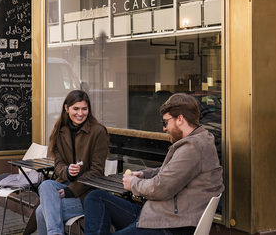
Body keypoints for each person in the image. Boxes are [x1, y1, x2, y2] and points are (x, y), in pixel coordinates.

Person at [84, 93, 224, 235]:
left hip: (170, 225)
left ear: (180, 119)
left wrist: (133, 184)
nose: (164, 128)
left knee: (96, 198)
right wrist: (144, 174)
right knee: (96, 198)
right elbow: (172, 171)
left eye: (165, 122)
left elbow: (160, 188)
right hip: (158, 215)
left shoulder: (193, 148)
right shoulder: (198, 140)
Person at [36, 90, 109, 235]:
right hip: (64, 184)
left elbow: (97, 171)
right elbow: (58, 166)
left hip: (87, 193)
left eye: (84, 109)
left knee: (41, 211)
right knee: (46, 185)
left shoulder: (98, 131)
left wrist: (72, 190)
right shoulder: (59, 131)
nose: (80, 113)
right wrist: (67, 171)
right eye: (76, 108)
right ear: (66, 108)